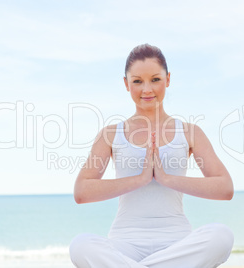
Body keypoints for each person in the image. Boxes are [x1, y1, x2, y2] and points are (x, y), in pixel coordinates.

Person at [69, 43, 234, 268]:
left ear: (167, 80)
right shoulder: (110, 134)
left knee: (221, 236)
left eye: (155, 79)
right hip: (124, 243)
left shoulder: (189, 132)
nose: (147, 89)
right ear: (127, 84)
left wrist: (167, 179)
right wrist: (139, 179)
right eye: (137, 81)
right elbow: (81, 192)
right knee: (80, 246)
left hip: (177, 242)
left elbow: (225, 188)